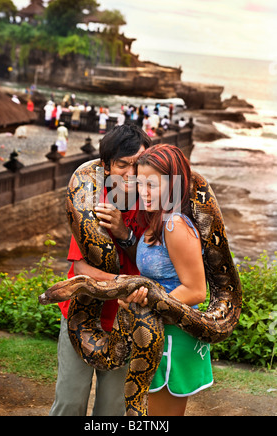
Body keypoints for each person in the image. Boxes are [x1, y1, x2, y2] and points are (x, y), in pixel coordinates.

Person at [49, 124, 152, 417]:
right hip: (81, 314)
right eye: (123, 165)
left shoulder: (154, 207)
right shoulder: (92, 202)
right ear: (106, 167)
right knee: (69, 402)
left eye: (139, 164)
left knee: (112, 409)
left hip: (127, 321)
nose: (131, 174)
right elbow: (81, 266)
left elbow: (156, 264)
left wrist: (123, 233)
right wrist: (130, 283)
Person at [119, 144, 213, 416]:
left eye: (153, 185)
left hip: (174, 338)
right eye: (141, 184)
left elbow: (196, 291)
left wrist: (144, 306)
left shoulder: (175, 225)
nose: (144, 192)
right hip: (156, 332)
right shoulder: (157, 220)